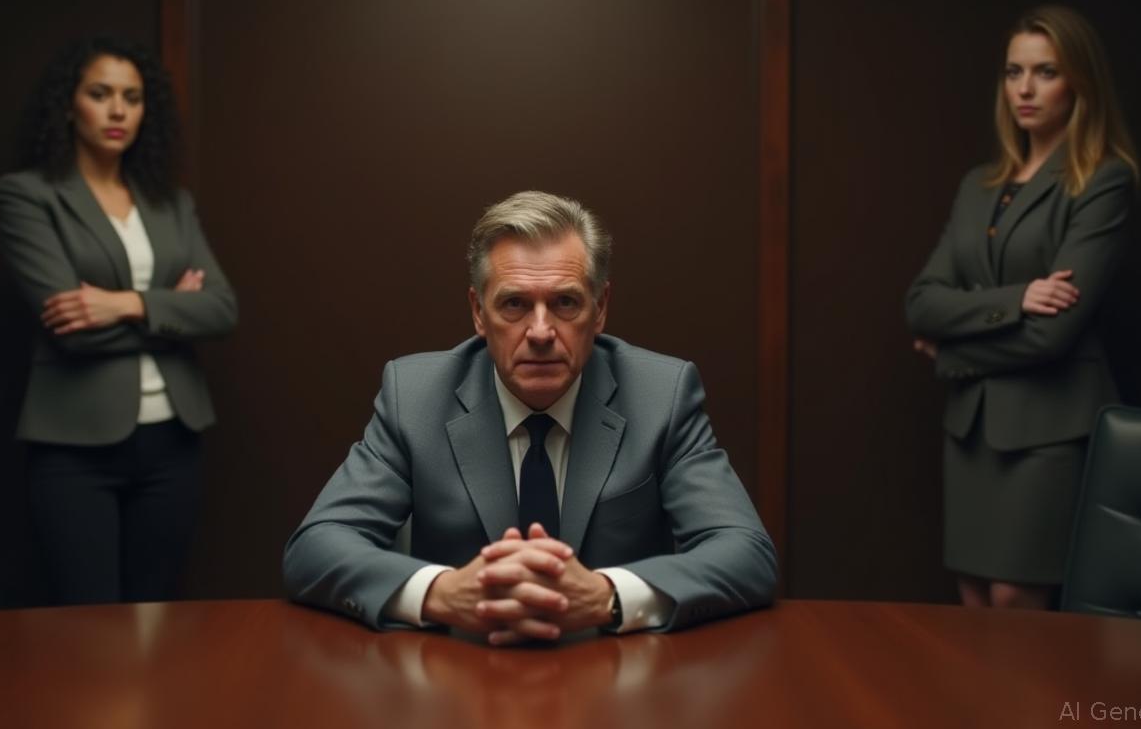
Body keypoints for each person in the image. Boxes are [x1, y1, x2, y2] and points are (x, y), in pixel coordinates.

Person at [283, 191, 776, 643]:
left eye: (565, 303)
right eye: (515, 304)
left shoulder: (661, 396)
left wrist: (606, 595)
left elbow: (745, 552)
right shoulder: (414, 398)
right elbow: (316, 546)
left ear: (600, 308)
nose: (540, 331)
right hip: (458, 676)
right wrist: (443, 593)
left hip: (617, 677)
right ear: (479, 313)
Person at [905, 5, 1138, 609]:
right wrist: (1017, 298)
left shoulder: (1103, 181)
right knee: (973, 599)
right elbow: (922, 303)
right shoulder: (979, 184)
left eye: (1046, 72)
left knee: (1014, 602)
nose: (1025, 89)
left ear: (1080, 82)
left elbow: (1053, 336)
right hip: (971, 434)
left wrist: (950, 353)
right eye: (1014, 72)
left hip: (1048, 431)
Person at [0, 37, 238, 604]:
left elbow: (222, 308)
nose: (117, 111)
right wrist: (172, 308)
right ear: (69, 104)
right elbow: (68, 329)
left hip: (174, 440)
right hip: (74, 444)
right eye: (100, 94)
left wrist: (127, 303)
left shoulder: (170, 202)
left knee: (157, 615)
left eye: (132, 97)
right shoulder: (29, 197)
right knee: (88, 623)